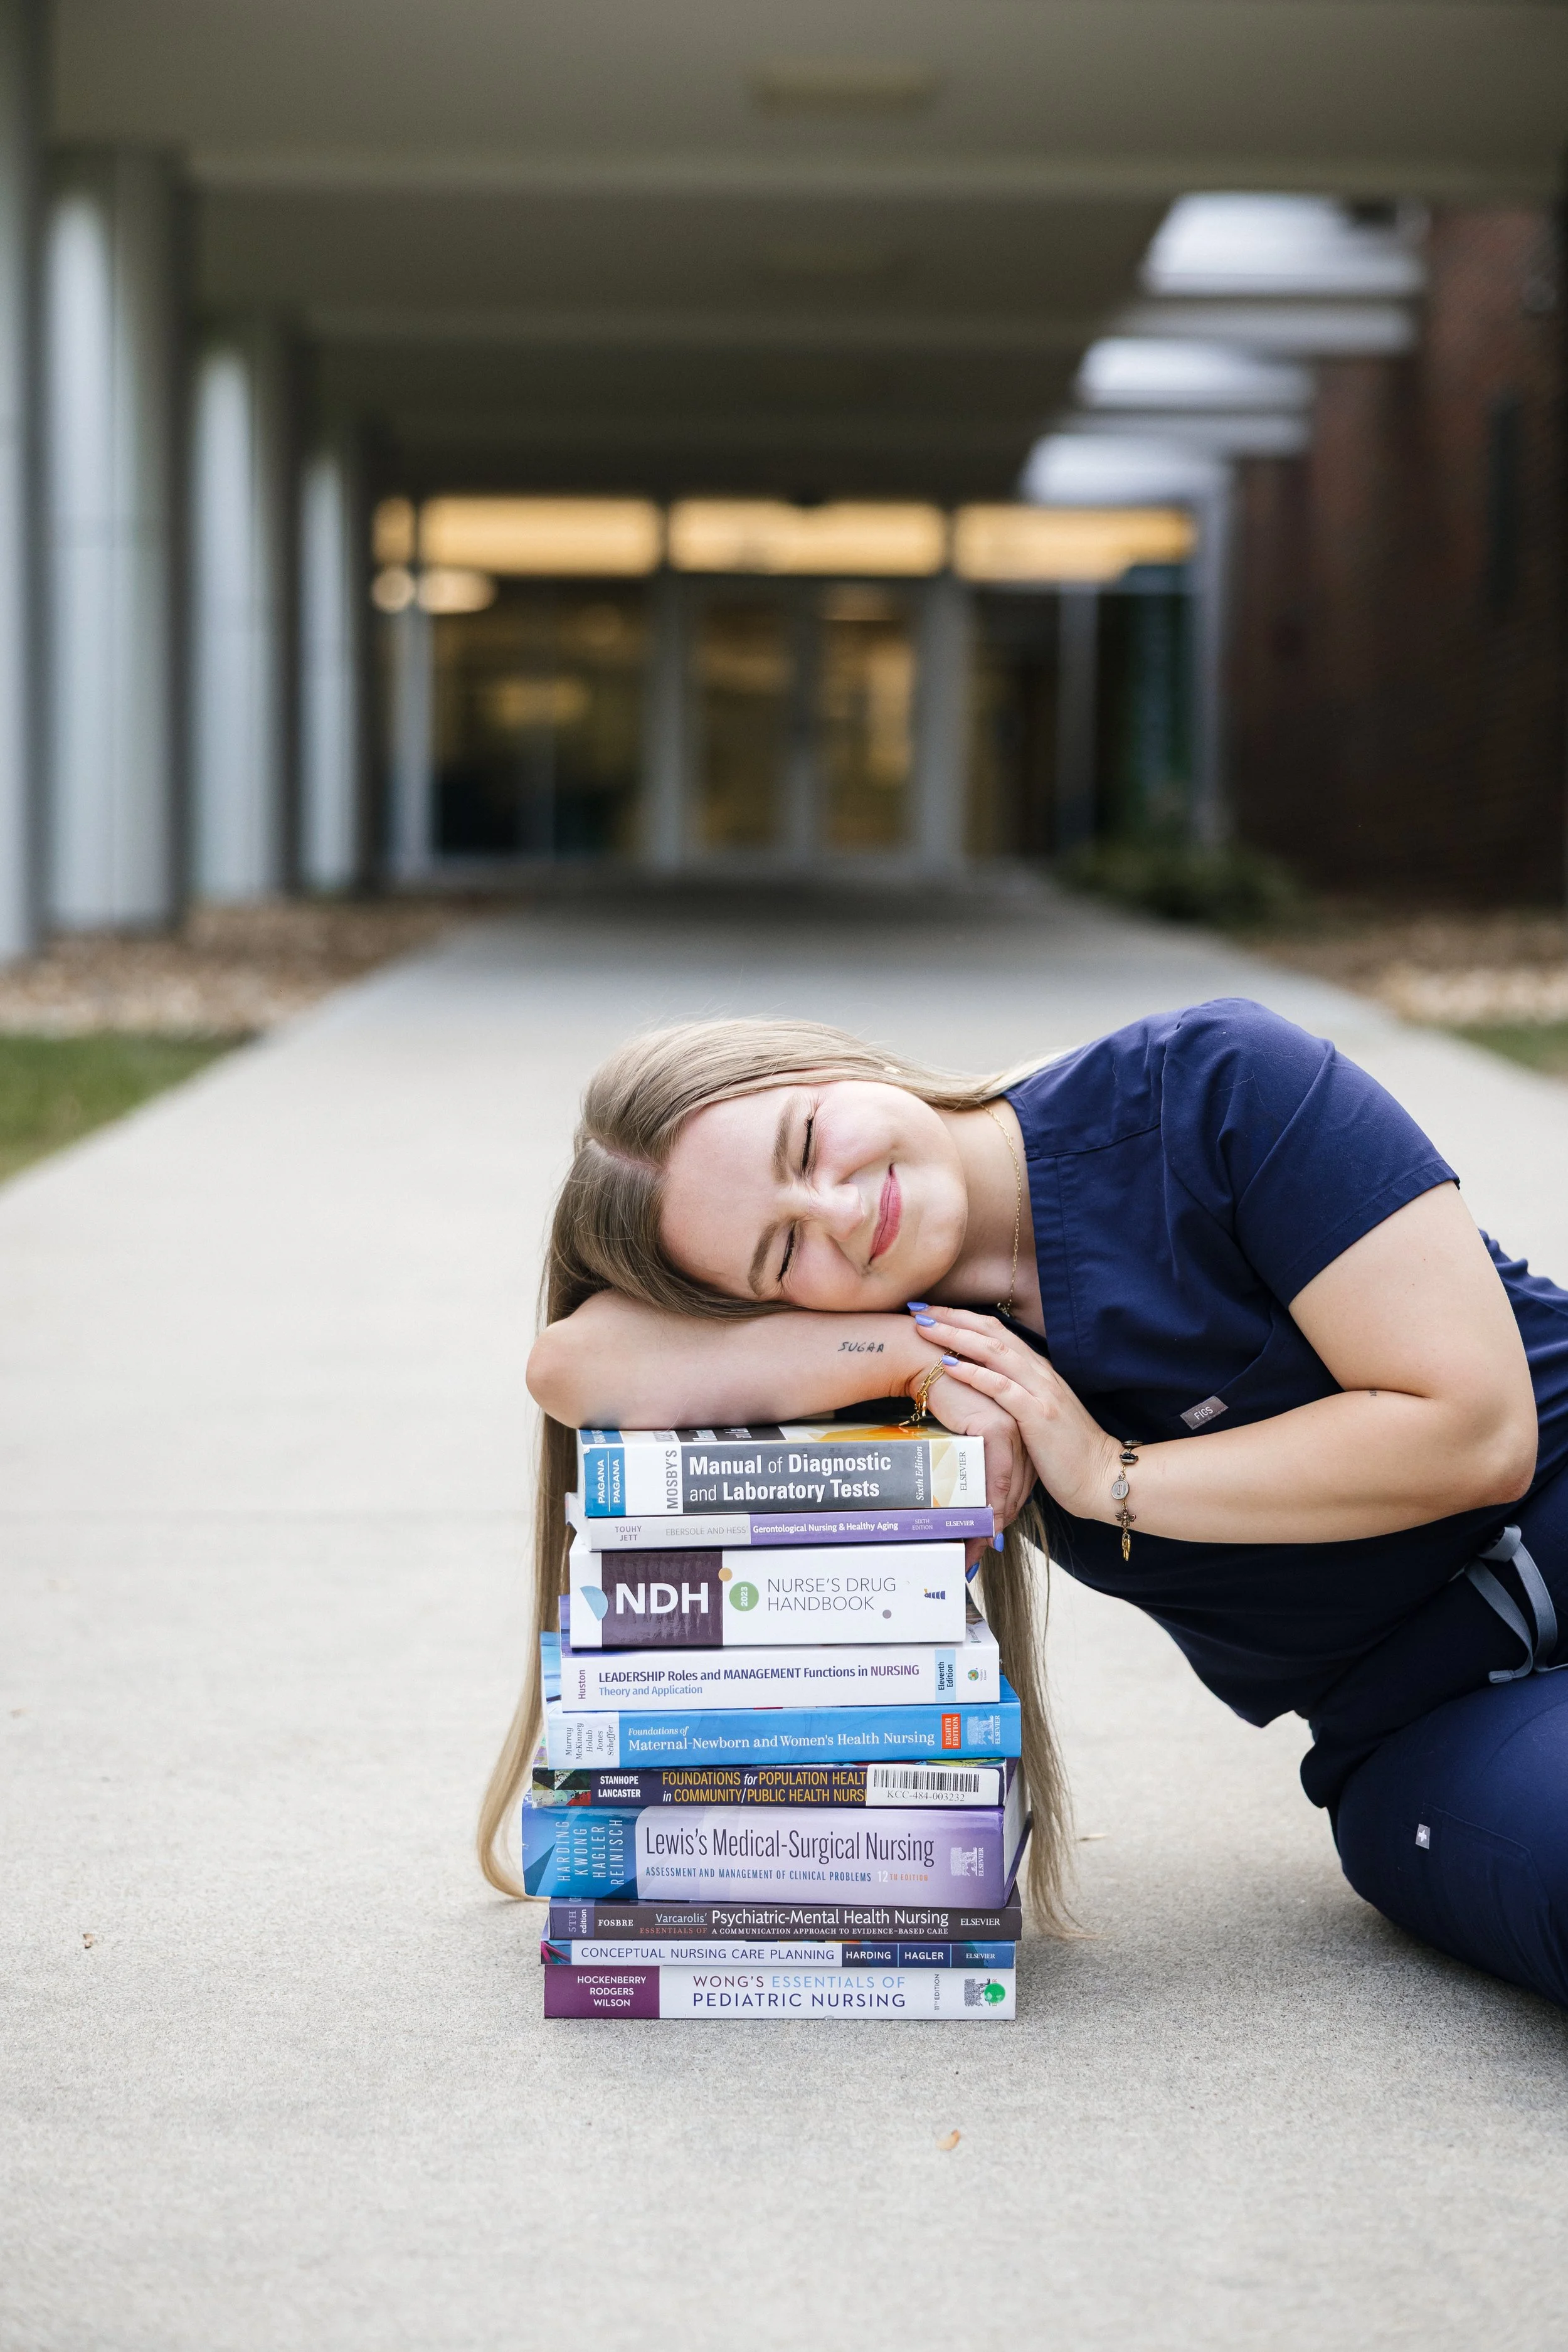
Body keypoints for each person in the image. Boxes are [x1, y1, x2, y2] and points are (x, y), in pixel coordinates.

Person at [480, 1002, 1568, 2008]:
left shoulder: (1217, 1087)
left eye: (807, 1142)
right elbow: (573, 1364)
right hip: (1430, 1723)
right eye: (784, 1251)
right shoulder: (900, 1333)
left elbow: (1476, 1433)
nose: (846, 1212)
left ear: (827, 1062)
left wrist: (1106, 1474)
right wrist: (918, 1350)